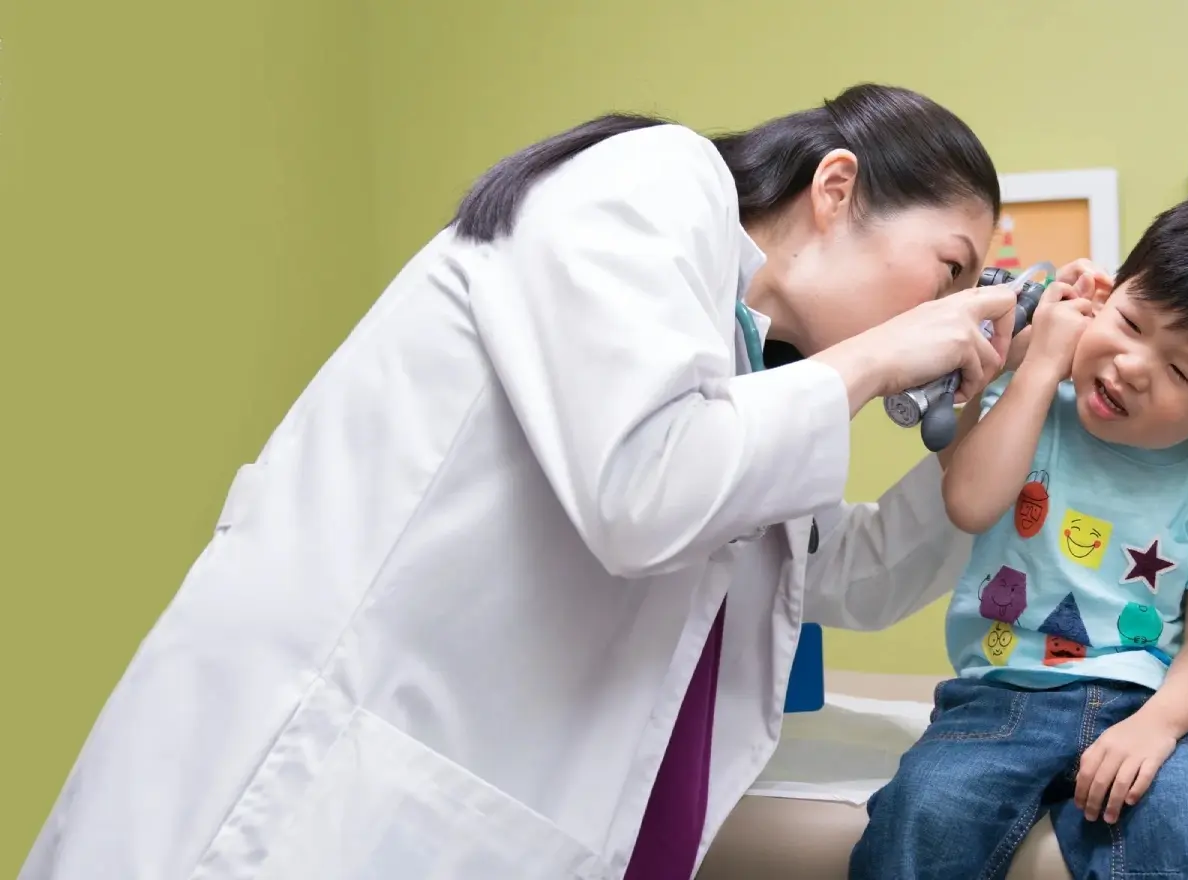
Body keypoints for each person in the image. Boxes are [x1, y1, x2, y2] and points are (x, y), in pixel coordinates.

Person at [23, 83, 1026, 880]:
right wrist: (876, 359)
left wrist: (1011, 420)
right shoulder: (653, 182)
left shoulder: (750, 373)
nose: (947, 310)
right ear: (837, 187)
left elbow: (847, 573)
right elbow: (646, 491)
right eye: (947, 268)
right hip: (316, 795)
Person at [849, 184, 1188, 880]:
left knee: (1187, 814)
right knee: (923, 809)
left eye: (1178, 370)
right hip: (1000, 695)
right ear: (1105, 297)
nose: (1132, 367)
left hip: (1147, 704)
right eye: (1133, 324)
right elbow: (972, 502)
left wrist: (1160, 726)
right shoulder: (1030, 403)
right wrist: (1040, 361)